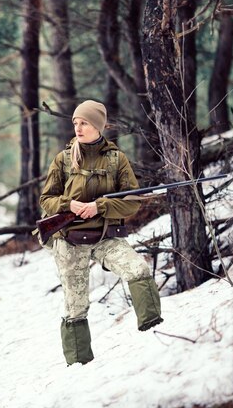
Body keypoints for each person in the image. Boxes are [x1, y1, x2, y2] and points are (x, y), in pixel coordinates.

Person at [39, 100, 163, 366]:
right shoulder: (63, 159)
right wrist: (68, 205)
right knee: (76, 306)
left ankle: (155, 332)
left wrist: (100, 206)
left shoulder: (117, 159)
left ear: (98, 125)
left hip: (105, 237)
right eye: (75, 122)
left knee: (138, 270)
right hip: (69, 242)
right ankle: (79, 366)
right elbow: (46, 199)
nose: (78, 127)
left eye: (84, 122)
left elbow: (132, 200)